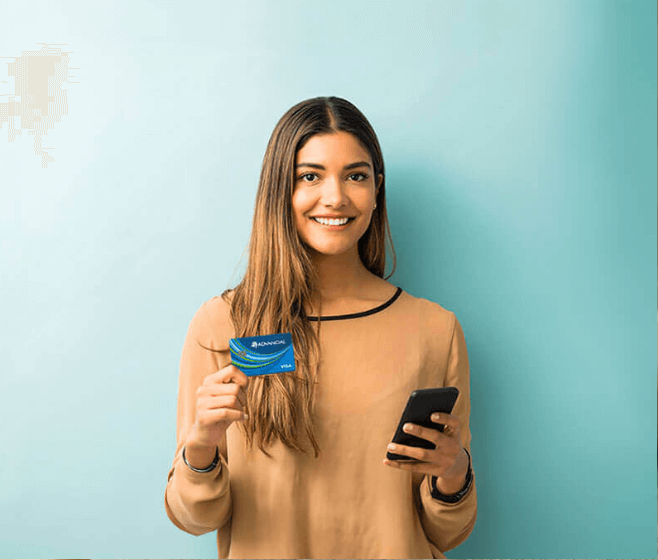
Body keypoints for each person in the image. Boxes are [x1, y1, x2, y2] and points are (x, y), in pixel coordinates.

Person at [164, 96, 477, 559]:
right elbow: (194, 517)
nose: (336, 197)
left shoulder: (434, 330)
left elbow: (446, 533)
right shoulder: (227, 324)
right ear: (279, 191)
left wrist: (454, 474)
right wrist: (201, 446)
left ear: (377, 190)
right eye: (310, 176)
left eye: (356, 175)